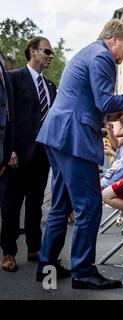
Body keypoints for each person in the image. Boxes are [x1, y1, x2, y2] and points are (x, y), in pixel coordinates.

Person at [35, 19, 123, 290]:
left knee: (62, 205)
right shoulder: (102, 56)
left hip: (59, 134)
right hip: (74, 138)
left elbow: (100, 107)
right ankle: (84, 272)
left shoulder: (90, 53)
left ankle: (46, 265)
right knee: (89, 206)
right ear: (114, 39)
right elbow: (105, 102)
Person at [1, 36, 57, 273]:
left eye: (52, 53)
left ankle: (34, 247)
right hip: (17, 154)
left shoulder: (51, 86)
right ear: (32, 52)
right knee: (11, 205)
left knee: (35, 205)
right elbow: (7, 115)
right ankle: (8, 252)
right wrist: (9, 148)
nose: (50, 56)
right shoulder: (13, 79)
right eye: (46, 51)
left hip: (42, 156)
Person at [0, 57, 15, 272]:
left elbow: (10, 116)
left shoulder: (3, 66)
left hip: (4, 153)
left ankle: (8, 252)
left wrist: (9, 150)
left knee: (9, 207)